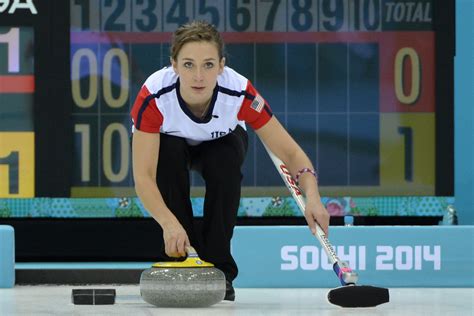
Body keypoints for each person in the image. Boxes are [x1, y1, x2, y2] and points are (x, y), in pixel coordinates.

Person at [130, 20, 329, 301]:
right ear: (174, 65)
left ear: (221, 66)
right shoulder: (153, 96)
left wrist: (314, 197)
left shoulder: (239, 92)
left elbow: (292, 154)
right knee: (167, 161)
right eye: (188, 65)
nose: (199, 76)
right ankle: (181, 260)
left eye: (208, 65)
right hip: (171, 147)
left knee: (224, 165)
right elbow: (144, 178)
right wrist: (169, 223)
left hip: (222, 142)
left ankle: (219, 270)